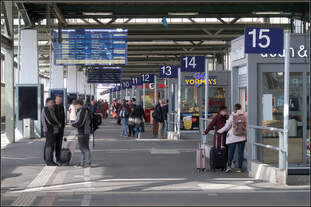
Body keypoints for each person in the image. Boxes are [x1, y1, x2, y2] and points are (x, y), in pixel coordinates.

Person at [217, 104, 247, 173]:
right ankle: (239, 168)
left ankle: (229, 166)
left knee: (231, 152)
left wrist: (219, 131)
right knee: (240, 153)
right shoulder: (245, 115)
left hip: (232, 137)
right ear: (241, 108)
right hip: (242, 136)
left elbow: (226, 127)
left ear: (234, 108)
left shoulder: (232, 116)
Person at [71, 99, 92, 168]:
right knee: (83, 148)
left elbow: (80, 122)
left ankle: (87, 163)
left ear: (78, 104)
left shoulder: (83, 111)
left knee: (84, 148)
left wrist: (73, 124)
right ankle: (82, 163)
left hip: (83, 132)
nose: (74, 107)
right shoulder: (83, 110)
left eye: (75, 106)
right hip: (84, 131)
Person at [41, 98, 61, 166]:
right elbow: (49, 120)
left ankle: (48, 160)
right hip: (50, 130)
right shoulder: (46, 109)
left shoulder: (50, 108)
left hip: (53, 130)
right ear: (47, 103)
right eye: (52, 103)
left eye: (53, 102)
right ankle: (49, 161)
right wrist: (57, 124)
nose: (53, 104)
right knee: (49, 146)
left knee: (50, 145)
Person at [54, 95, 66, 165]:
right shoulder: (53, 107)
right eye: (58, 99)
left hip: (61, 129)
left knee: (59, 144)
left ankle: (58, 158)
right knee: (55, 144)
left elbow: (63, 117)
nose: (59, 101)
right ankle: (55, 158)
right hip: (55, 129)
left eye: (60, 100)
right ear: (55, 100)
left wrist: (63, 126)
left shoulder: (62, 107)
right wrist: (57, 124)